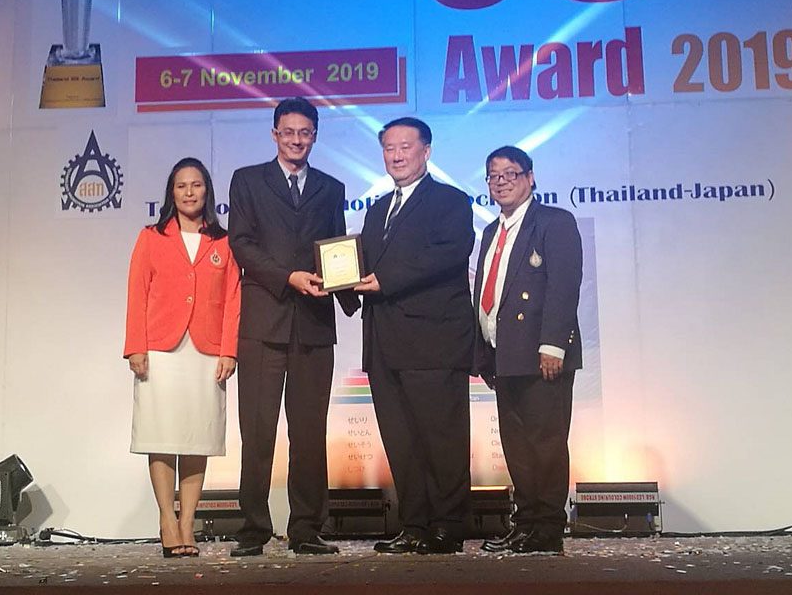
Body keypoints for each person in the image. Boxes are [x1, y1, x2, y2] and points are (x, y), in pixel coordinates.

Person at [227, 97, 359, 556]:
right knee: (257, 431)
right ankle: (253, 529)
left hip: (314, 326)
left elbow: (337, 249)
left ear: (315, 136)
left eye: (304, 132)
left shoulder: (331, 187)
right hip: (264, 322)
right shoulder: (247, 181)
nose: (296, 140)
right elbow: (242, 244)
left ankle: (306, 528)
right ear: (274, 134)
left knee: (308, 434)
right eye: (288, 132)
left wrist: (352, 289)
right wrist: (288, 277)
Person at [355, 117, 475, 555]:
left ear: (426, 151)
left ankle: (448, 525)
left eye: (405, 147)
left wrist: (385, 280)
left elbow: (449, 253)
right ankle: (414, 524)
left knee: (441, 439)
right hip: (384, 345)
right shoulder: (376, 210)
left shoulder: (451, 201)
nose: (397, 155)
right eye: (389, 148)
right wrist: (338, 283)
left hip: (433, 343)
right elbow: (361, 266)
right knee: (401, 441)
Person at [124, 157, 240, 558]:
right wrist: (135, 346)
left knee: (196, 437)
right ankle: (166, 520)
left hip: (207, 352)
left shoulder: (223, 242)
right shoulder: (151, 237)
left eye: (196, 185)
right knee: (161, 436)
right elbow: (137, 292)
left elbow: (233, 299)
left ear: (207, 190)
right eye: (181, 186)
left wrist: (229, 350)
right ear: (171, 193)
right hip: (160, 350)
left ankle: (188, 522)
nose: (189, 192)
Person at [474, 146, 583, 555]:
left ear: (530, 177)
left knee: (545, 442)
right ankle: (525, 523)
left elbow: (563, 287)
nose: (501, 182)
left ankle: (547, 527)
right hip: (504, 354)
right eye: (494, 176)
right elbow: (488, 295)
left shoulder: (554, 222)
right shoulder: (492, 231)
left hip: (542, 354)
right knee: (517, 446)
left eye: (510, 173)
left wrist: (553, 345)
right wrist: (483, 351)